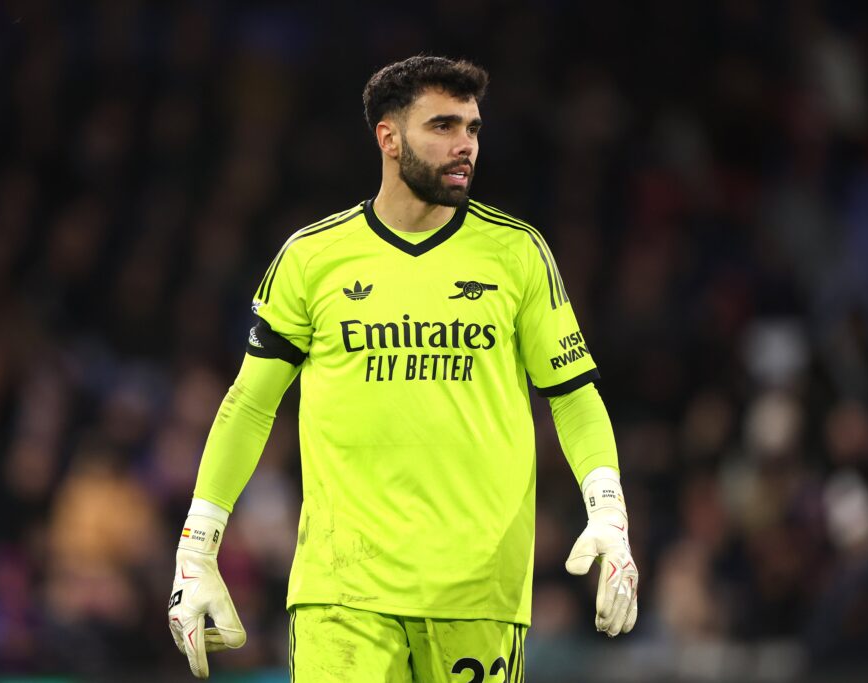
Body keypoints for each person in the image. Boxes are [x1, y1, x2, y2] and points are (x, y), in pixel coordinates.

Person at [167, 55, 639, 681]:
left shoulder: (518, 254)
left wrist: (608, 511)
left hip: (477, 592)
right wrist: (197, 548)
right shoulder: (313, 258)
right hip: (342, 592)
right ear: (388, 138)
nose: (464, 145)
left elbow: (573, 394)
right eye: (442, 126)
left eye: (472, 128)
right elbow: (250, 403)